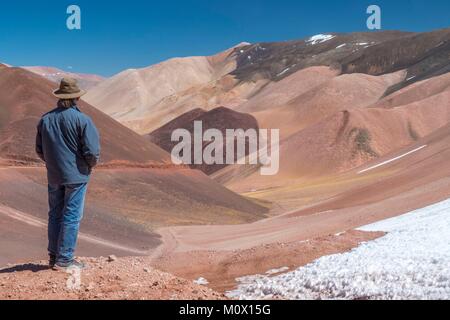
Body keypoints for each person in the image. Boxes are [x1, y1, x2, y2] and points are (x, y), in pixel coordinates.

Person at [36, 78, 100, 270]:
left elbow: (40, 150)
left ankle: (53, 257)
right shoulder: (83, 120)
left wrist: (54, 164)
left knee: (55, 214)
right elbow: (92, 152)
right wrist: (88, 166)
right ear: (77, 97)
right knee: (71, 216)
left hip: (54, 175)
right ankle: (64, 260)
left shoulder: (45, 119)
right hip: (77, 176)